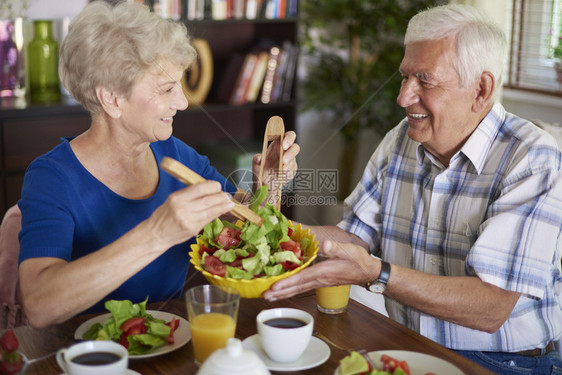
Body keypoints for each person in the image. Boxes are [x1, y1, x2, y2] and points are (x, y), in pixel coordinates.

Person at [264, 4, 562, 374]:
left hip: (507, 362)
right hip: (408, 345)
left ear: (481, 89)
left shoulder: (532, 158)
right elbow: (354, 238)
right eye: (405, 77)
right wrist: (267, 230)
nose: (403, 97)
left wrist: (377, 273)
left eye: (425, 80)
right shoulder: (401, 140)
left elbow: (491, 308)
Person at [17, 1, 299, 329]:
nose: (182, 102)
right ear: (112, 98)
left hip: (169, 340)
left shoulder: (175, 153)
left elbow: (242, 224)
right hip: (88, 353)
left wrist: (265, 187)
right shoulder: (52, 177)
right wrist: (157, 233)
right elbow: (39, 305)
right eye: (167, 89)